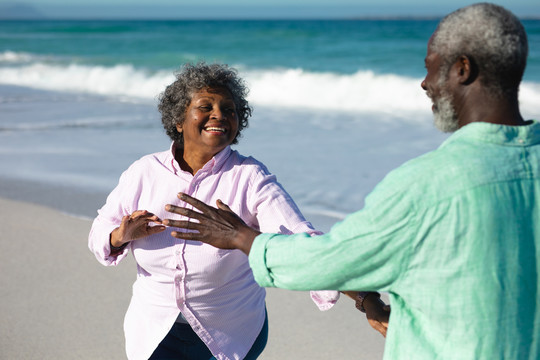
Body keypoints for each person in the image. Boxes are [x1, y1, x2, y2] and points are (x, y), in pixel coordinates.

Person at [163, 3, 540, 359]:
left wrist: (242, 238)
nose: (425, 83)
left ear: (463, 69)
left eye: (430, 67)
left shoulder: (429, 186)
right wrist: (367, 301)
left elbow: (333, 261)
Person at [88, 62, 384, 360]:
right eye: (206, 106)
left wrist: (365, 298)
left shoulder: (249, 177)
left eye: (229, 110)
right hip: (153, 330)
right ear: (178, 120)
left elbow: (302, 241)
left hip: (231, 333)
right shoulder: (143, 172)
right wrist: (120, 235)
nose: (219, 114)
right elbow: (101, 229)